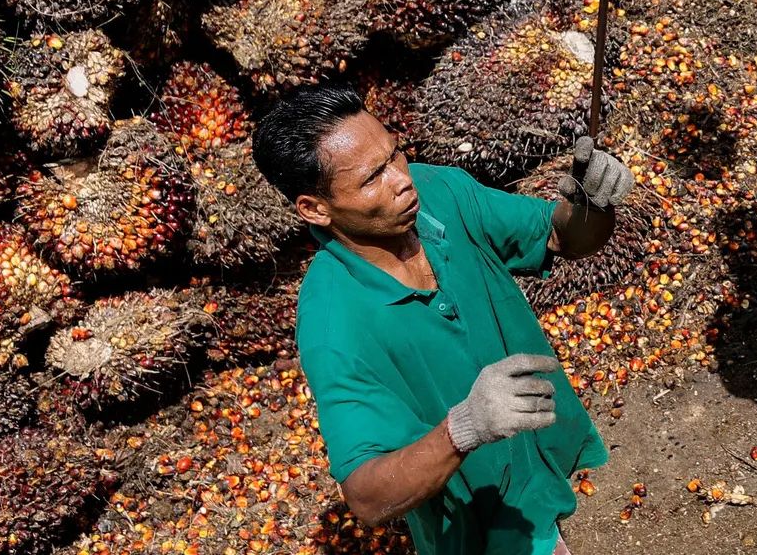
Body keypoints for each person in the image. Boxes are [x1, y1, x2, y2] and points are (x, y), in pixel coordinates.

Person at [254, 86, 635, 555]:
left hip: (532, 477)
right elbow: (366, 497)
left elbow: (561, 235)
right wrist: (465, 427)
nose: (401, 179)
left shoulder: (441, 192)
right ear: (315, 208)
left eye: (395, 154)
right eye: (373, 176)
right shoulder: (334, 324)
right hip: (476, 532)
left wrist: (593, 204)